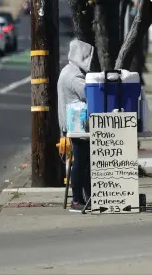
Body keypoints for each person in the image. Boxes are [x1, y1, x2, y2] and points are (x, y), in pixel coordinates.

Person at [58, 39, 98, 213]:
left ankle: (87, 197)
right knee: (81, 163)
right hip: (78, 125)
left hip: (70, 123)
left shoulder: (67, 70)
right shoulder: (75, 76)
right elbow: (89, 94)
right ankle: (77, 200)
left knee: (83, 162)